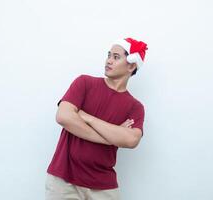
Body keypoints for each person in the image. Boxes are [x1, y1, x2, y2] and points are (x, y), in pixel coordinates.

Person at [45, 37, 148, 200]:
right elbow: (63, 116)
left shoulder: (135, 107)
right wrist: (112, 137)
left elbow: (131, 140)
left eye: (116, 57)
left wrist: (87, 117)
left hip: (104, 187)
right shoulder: (84, 83)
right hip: (64, 182)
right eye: (108, 55)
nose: (108, 61)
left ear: (131, 65)